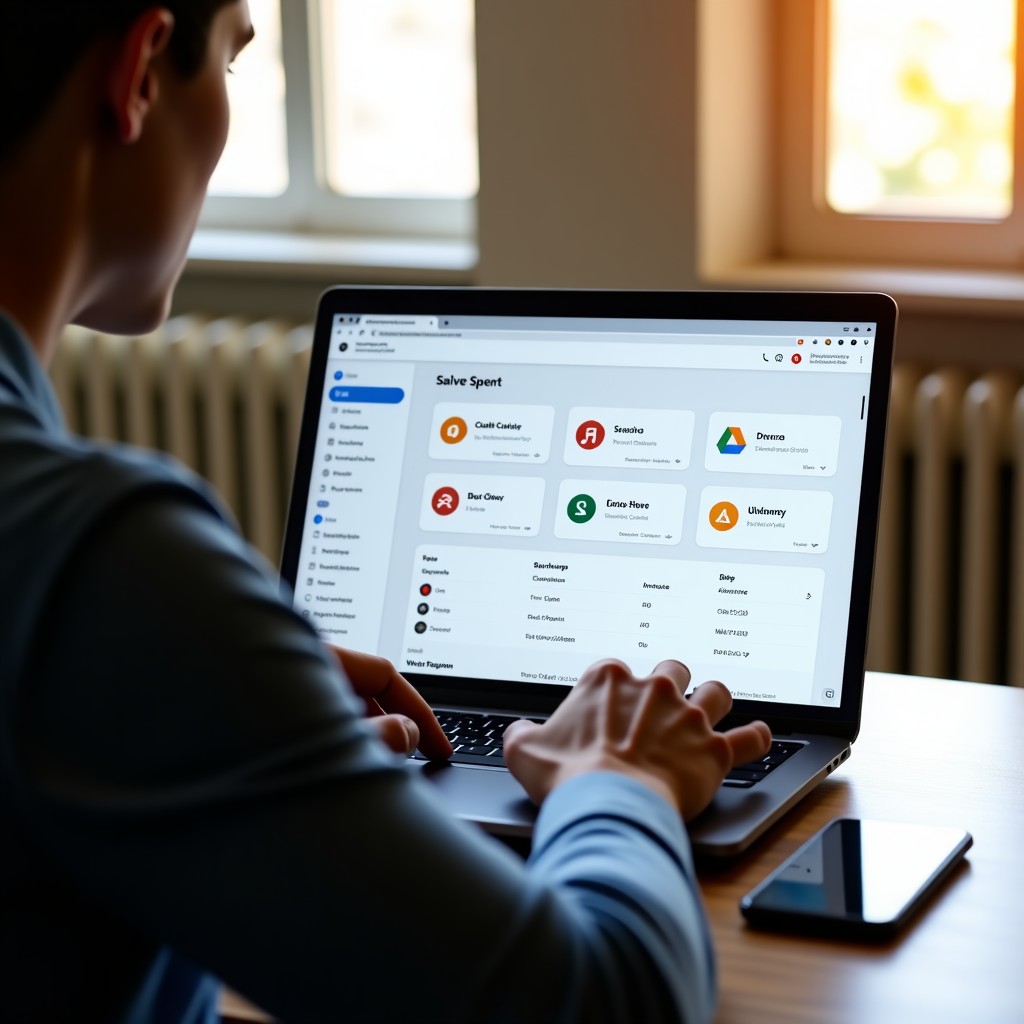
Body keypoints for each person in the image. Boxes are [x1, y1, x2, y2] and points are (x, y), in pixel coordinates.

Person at [0, 2, 772, 1021]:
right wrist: (614, 774)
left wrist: (235, 700)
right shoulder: (93, 558)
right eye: (232, 54)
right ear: (141, 72)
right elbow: (610, 1004)